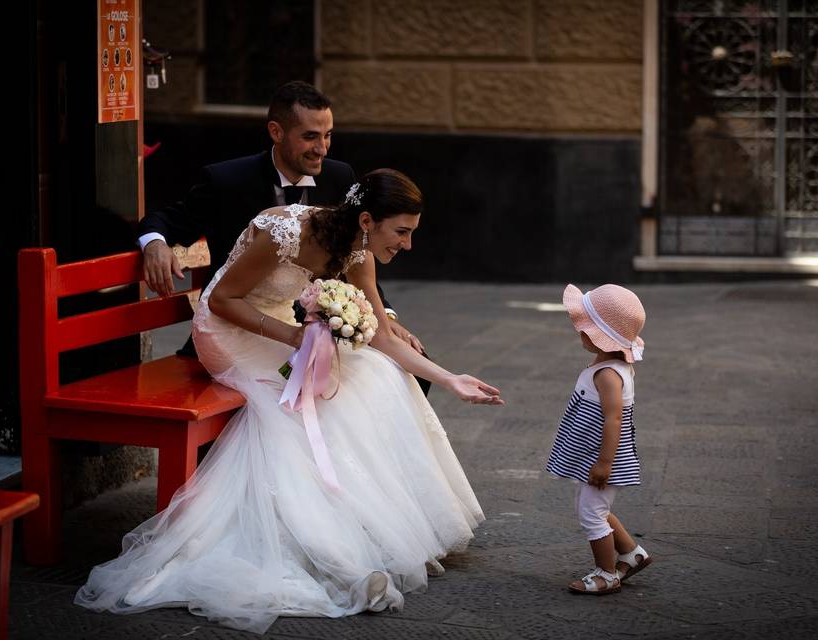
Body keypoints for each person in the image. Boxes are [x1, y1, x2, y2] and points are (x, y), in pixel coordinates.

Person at [75, 169, 503, 632]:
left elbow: (379, 331)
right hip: (231, 334)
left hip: (283, 331)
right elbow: (221, 301)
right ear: (366, 219)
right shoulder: (284, 230)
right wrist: (294, 336)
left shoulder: (358, 250)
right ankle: (325, 548)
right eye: (401, 232)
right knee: (296, 412)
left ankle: (357, 530)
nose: (407, 244)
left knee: (377, 374)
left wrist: (451, 378)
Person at [139, 80, 427, 367]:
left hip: (316, 325)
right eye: (311, 137)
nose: (322, 149)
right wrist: (154, 243)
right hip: (240, 329)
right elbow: (168, 220)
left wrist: (384, 319)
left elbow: (354, 249)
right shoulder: (226, 181)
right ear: (276, 132)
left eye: (328, 136)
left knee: (405, 369)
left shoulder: (339, 177)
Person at [546, 284, 652, 595]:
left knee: (591, 513)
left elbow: (614, 418)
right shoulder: (612, 366)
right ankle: (632, 555)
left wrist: (604, 462)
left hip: (602, 456)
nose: (578, 329)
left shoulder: (608, 374)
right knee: (593, 507)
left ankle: (607, 574)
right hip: (594, 454)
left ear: (597, 335)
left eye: (583, 325)